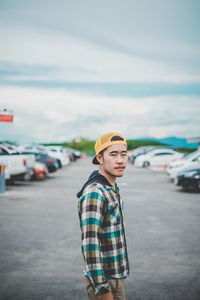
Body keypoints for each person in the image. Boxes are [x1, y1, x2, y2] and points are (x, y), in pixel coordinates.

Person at [77, 132, 129, 300]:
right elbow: (90, 244)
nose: (120, 160)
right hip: (105, 281)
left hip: (116, 276)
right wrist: (101, 288)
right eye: (113, 154)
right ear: (100, 158)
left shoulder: (111, 187)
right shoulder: (95, 192)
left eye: (124, 154)